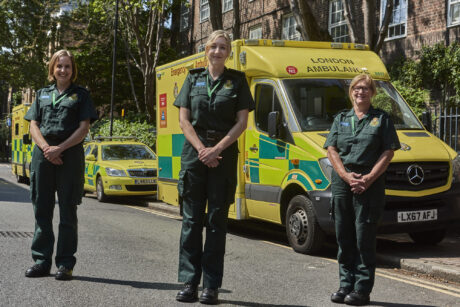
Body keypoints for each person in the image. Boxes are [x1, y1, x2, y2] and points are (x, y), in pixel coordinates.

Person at [173, 30, 255, 304]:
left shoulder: (238, 81)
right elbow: (184, 121)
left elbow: (242, 123)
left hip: (222, 157)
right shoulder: (193, 78)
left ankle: (211, 287)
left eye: (223, 47)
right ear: (206, 50)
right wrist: (201, 150)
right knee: (192, 222)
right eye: (213, 47)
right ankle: (189, 283)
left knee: (216, 223)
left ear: (228, 52)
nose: (218, 51)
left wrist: (216, 149)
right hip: (194, 156)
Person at [324, 74, 400, 306]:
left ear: (372, 92)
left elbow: (388, 152)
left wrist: (368, 178)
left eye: (366, 88)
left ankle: (362, 289)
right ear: (351, 92)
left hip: (370, 185)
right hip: (343, 184)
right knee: (344, 237)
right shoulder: (341, 118)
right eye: (357, 88)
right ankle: (345, 284)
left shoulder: (382, 119)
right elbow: (331, 149)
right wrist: (346, 176)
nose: (361, 92)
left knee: (363, 238)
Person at [24, 49, 98, 281]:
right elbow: (33, 125)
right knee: (42, 210)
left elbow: (84, 128)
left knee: (68, 211)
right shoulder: (42, 94)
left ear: (72, 70)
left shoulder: (81, 95)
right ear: (52, 69)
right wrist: (47, 148)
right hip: (43, 155)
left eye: (67, 66)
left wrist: (60, 148)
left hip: (70, 156)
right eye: (59, 66)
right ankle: (41, 261)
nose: (63, 70)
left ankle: (65, 264)